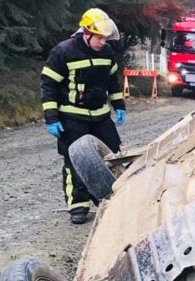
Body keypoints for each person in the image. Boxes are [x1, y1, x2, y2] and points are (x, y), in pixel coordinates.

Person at [40, 8, 126, 224]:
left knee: (113, 155)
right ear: (86, 33)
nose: (102, 42)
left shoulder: (107, 54)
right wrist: (51, 118)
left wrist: (119, 105)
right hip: (72, 117)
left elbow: (112, 83)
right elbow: (49, 86)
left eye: (105, 38)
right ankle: (78, 206)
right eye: (98, 37)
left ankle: (109, 199)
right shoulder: (63, 52)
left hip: (100, 116)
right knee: (74, 160)